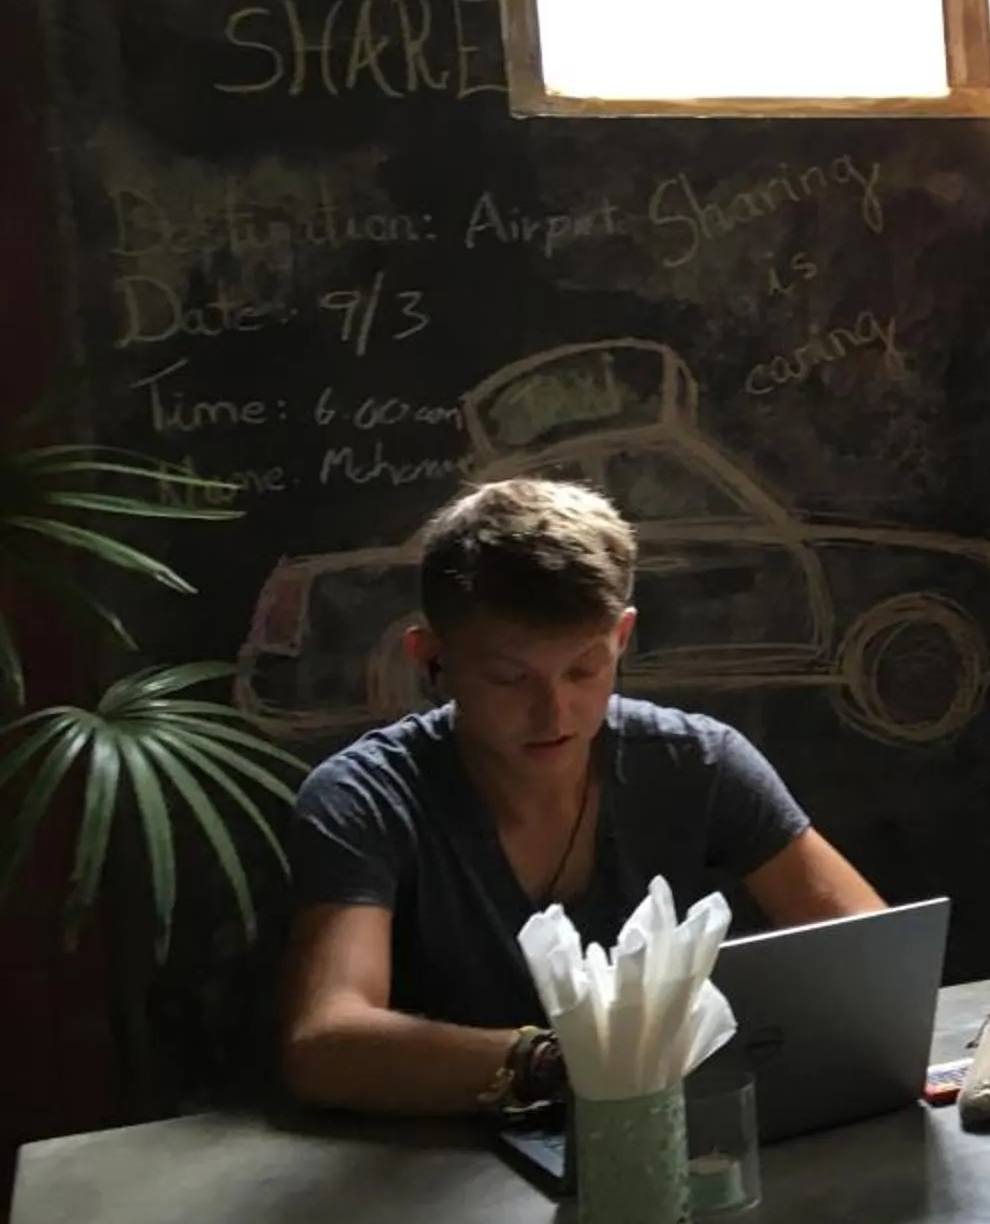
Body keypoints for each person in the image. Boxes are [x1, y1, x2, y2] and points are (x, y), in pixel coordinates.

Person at [278, 477, 883, 1117]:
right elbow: (324, 1042)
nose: (554, 712)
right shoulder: (364, 799)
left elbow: (872, 959)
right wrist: (566, 1064)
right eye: (508, 677)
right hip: (442, 1160)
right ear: (431, 658)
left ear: (623, 637)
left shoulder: (699, 763)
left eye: (584, 669)